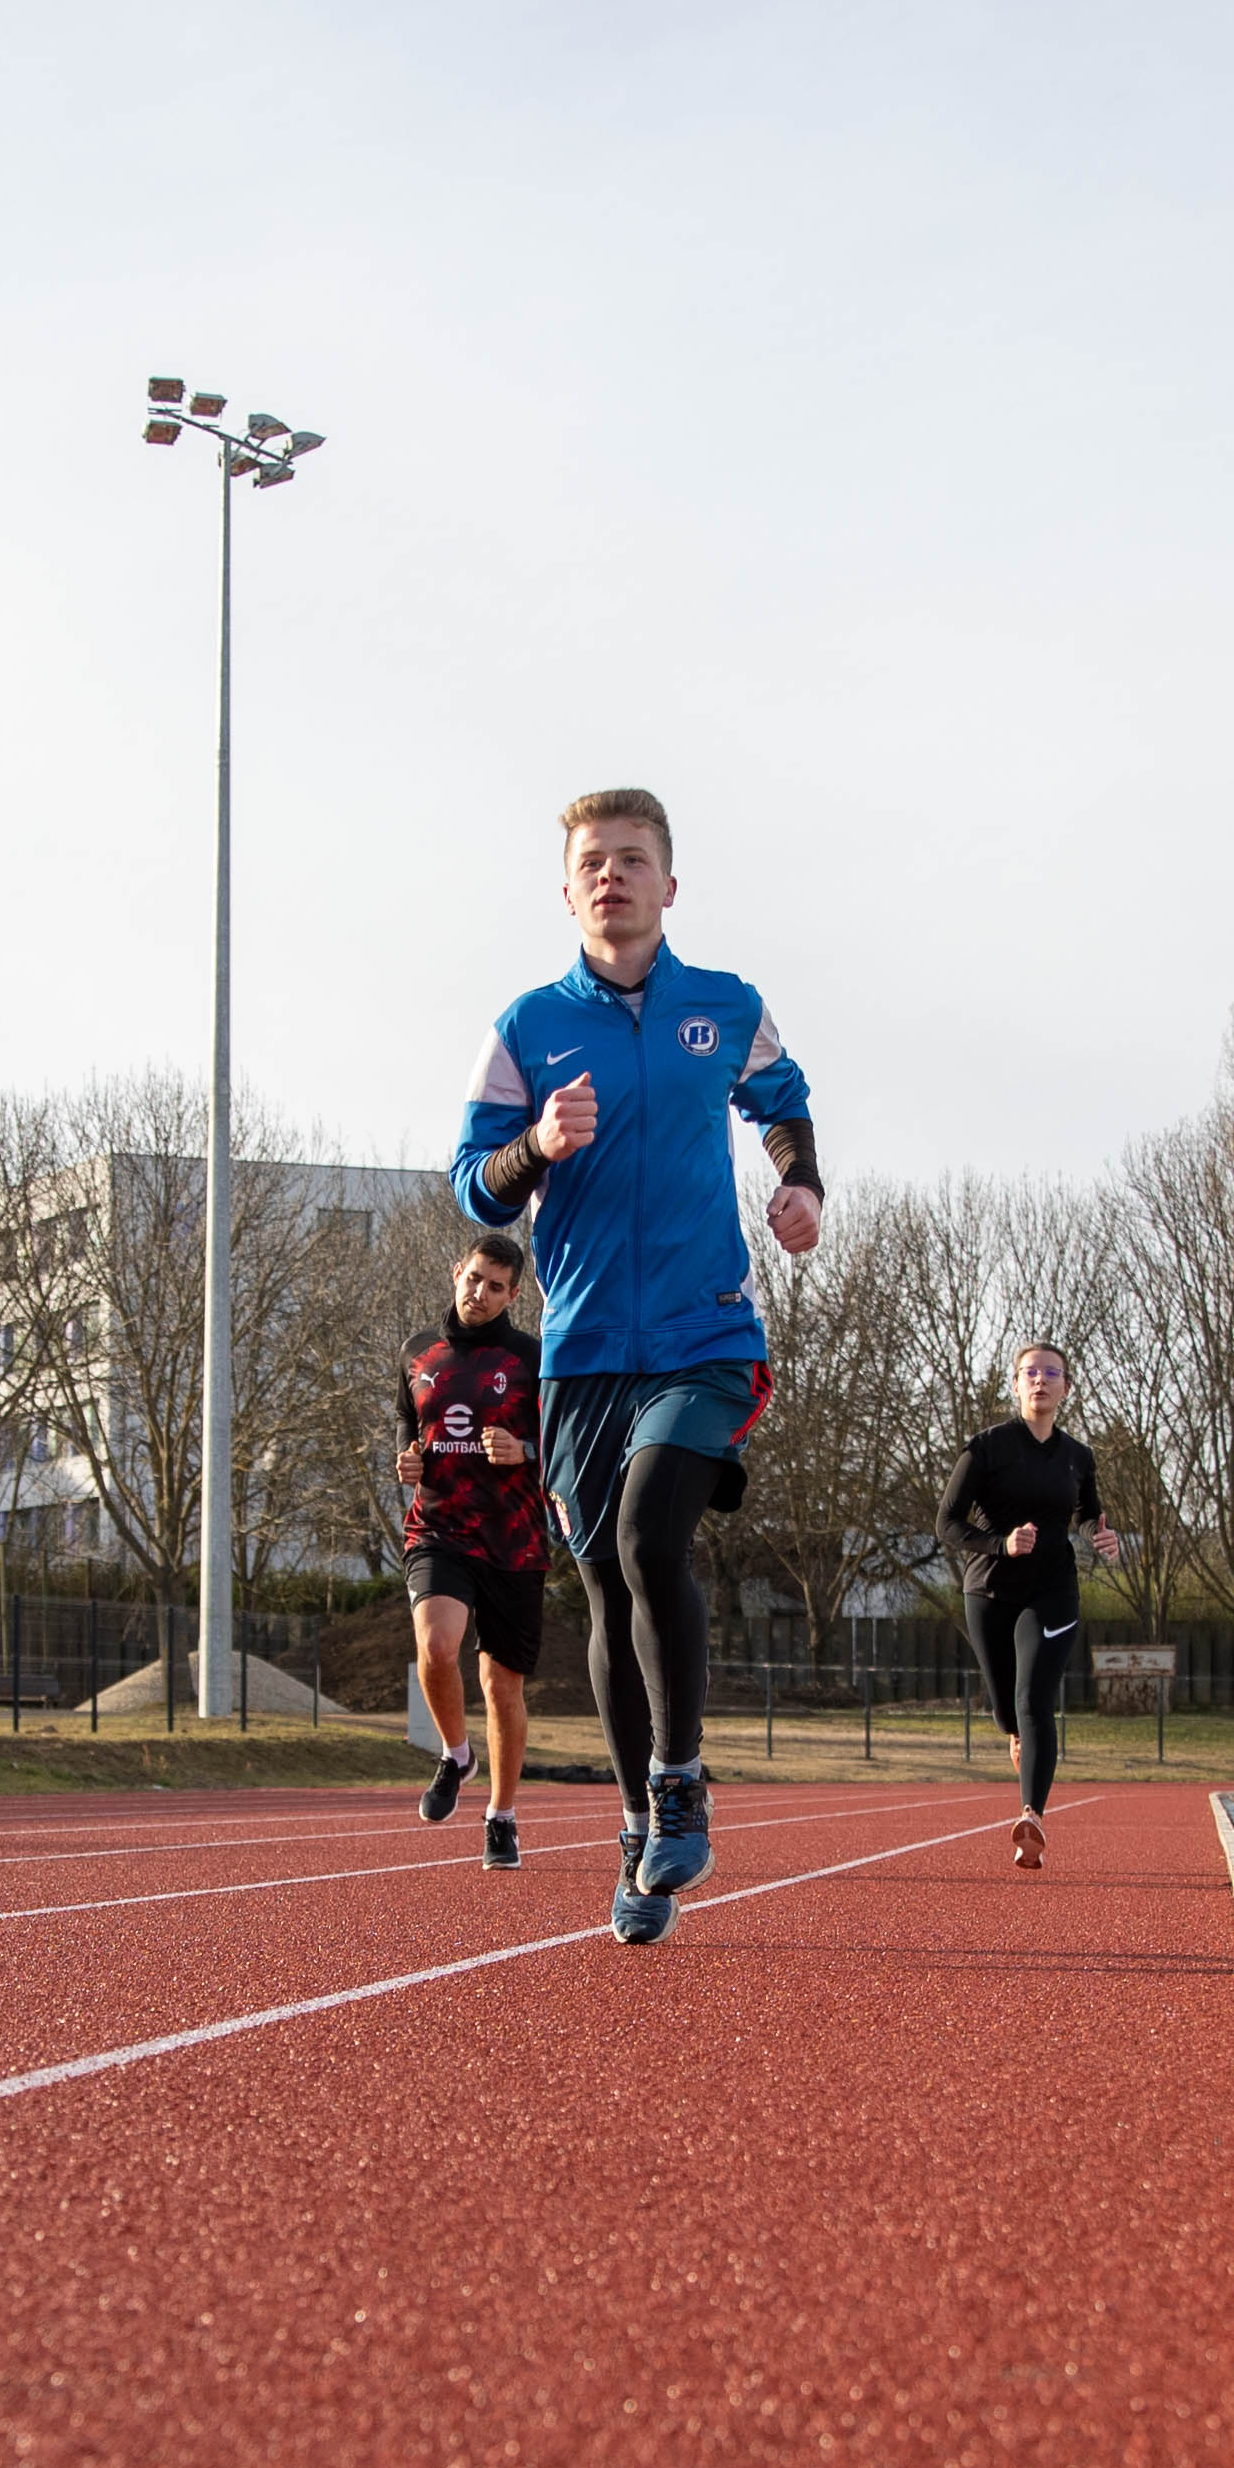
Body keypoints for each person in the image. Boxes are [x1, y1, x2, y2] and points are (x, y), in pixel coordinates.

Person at [453, 786, 819, 1946]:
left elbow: (784, 1100)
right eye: (592, 863)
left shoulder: (726, 1006)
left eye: (633, 858)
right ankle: (633, 1822)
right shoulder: (524, 1028)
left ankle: (679, 1778)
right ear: (567, 892)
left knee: (650, 1537)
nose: (612, 876)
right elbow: (470, 1181)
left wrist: (800, 1183)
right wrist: (534, 1146)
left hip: (705, 1335)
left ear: (671, 884)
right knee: (606, 1587)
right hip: (585, 1351)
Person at [396, 1229, 546, 1870]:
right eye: (473, 1279)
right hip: (438, 1529)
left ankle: (502, 1817)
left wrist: (526, 1451)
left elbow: (566, 1446)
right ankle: (456, 1756)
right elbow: (409, 1420)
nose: (479, 1294)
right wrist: (405, 1457)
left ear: (514, 1293)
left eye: (495, 1287)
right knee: (435, 1647)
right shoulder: (416, 1351)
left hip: (514, 1540)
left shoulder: (532, 1358)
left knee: (500, 1684)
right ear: (456, 1271)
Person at [943, 1341, 1122, 1865]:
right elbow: (947, 1523)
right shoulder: (986, 1448)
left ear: (1066, 1387)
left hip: (1052, 1590)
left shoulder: (1078, 1457)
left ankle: (1031, 1817)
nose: (1040, 1381)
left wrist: (1097, 1534)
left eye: (1051, 1373)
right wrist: (1001, 1543)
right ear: (1017, 1385)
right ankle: (1014, 1733)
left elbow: (1089, 1514)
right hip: (991, 1588)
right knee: (1007, 1708)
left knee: (1034, 1699)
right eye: (1030, 1373)